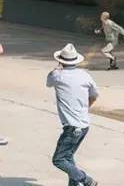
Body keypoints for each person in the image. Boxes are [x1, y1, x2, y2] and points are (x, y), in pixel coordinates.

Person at [46, 43, 99, 186]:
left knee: (59, 159)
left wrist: (56, 68)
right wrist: (83, 109)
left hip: (72, 128)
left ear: (61, 60)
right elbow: (94, 95)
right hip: (84, 124)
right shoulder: (85, 76)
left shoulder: (57, 75)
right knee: (68, 156)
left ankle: (86, 180)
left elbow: (48, 82)